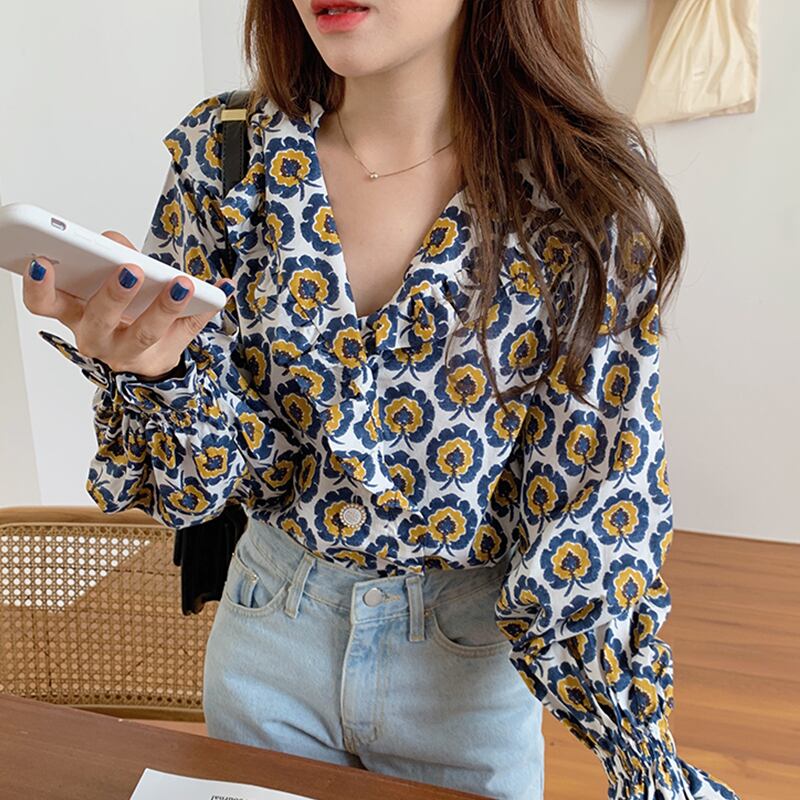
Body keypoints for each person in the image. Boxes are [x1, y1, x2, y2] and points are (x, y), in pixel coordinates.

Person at [23, 1, 741, 799]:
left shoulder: (576, 188)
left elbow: (596, 506)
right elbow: (204, 484)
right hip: (268, 632)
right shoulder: (226, 155)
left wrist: (643, 761)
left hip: (462, 670)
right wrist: (156, 374)